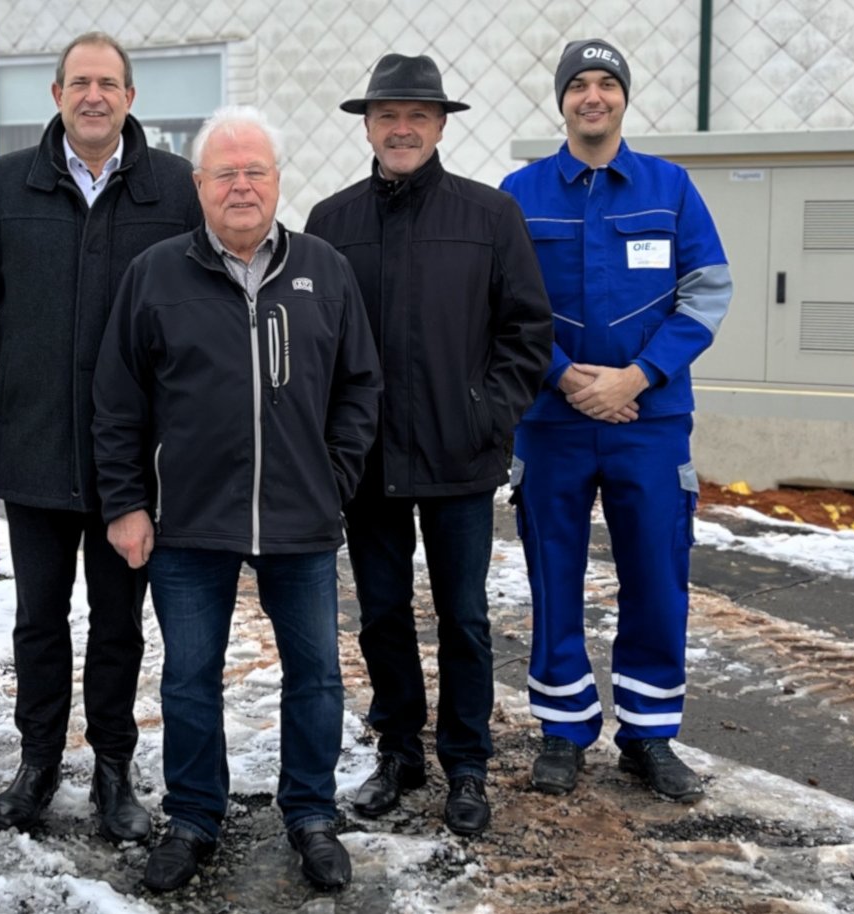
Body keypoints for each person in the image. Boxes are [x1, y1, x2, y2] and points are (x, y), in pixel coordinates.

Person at [95, 106, 382, 892]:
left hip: (302, 518)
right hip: (190, 519)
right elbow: (117, 400)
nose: (242, 186)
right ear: (199, 186)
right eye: (226, 173)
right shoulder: (155, 275)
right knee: (190, 675)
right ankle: (193, 816)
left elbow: (360, 385)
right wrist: (126, 502)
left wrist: (335, 475)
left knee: (317, 674)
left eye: (256, 170)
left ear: (279, 181)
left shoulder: (324, 269)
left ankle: (312, 815)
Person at [0, 31, 202, 842]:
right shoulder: (6, 182)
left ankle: (116, 770)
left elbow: (202, 312)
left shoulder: (172, 186)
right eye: (79, 83)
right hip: (34, 442)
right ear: (55, 96)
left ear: (130, 98)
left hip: (134, 460)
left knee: (120, 621)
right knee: (38, 619)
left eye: (109, 84)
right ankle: (39, 761)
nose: (94, 96)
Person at [304, 53, 553, 836]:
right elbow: (319, 343)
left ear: (441, 125)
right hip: (368, 461)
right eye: (387, 116)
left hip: (458, 457)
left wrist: (489, 415)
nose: (401, 128)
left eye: (417, 115)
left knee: (464, 617)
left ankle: (468, 764)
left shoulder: (487, 217)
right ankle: (400, 751)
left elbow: (527, 331)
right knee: (380, 613)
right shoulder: (331, 223)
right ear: (368, 127)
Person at [498, 39, 732, 802]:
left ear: (623, 98)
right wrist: (566, 377)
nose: (592, 97)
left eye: (606, 84)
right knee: (553, 577)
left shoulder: (671, 189)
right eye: (579, 85)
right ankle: (563, 733)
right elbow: (503, 309)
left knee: (658, 579)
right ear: (561, 99)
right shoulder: (520, 194)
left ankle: (650, 736)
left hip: (651, 420)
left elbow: (706, 294)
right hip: (553, 421)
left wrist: (636, 376)